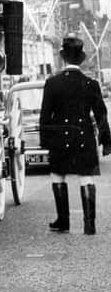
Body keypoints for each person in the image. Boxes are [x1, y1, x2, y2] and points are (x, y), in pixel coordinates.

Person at [39, 35, 111, 235]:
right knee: (86, 177)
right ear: (81, 58)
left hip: (60, 137)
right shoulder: (91, 84)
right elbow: (101, 115)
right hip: (84, 137)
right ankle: (90, 225)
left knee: (57, 176)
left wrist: (46, 142)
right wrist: (106, 142)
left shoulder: (52, 83)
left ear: (63, 57)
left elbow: (45, 116)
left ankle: (63, 222)